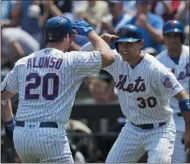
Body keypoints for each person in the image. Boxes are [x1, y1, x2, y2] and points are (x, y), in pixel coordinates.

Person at [1, 16, 115, 163]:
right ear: (67, 37)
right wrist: (91, 34)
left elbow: (3, 96)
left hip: (22, 135)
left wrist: (10, 127)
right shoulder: (70, 61)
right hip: (49, 135)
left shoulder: (24, 62)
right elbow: (109, 56)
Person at [80, 24, 190, 163]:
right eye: (121, 44)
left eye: (130, 44)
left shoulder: (156, 69)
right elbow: (81, 58)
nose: (124, 48)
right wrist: (96, 42)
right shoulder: (115, 59)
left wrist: (188, 130)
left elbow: (184, 97)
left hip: (160, 129)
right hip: (132, 128)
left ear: (141, 43)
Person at [156, 20, 190, 163]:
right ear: (164, 38)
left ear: (182, 37)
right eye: (169, 35)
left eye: (176, 35)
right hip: (174, 119)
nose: (173, 39)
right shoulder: (158, 62)